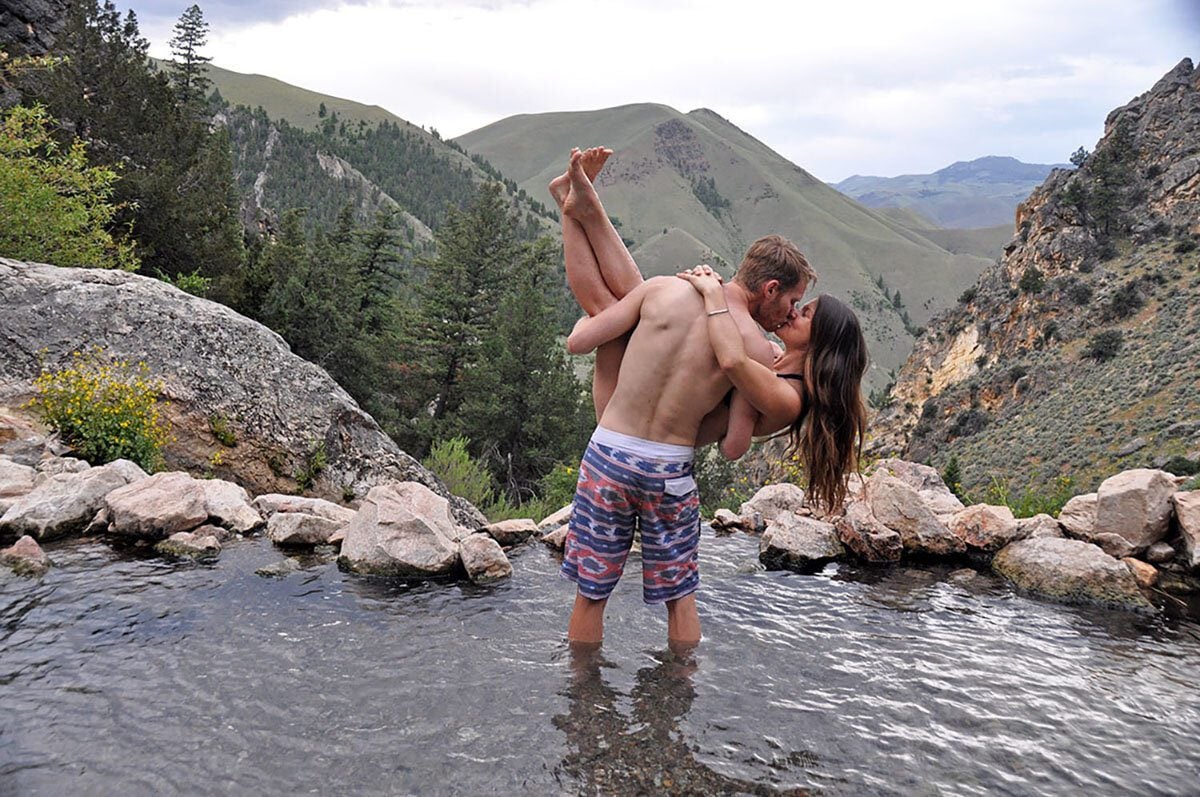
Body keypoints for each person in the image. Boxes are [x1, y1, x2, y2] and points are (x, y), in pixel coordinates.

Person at [549, 148, 813, 648]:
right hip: (667, 469)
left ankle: (582, 705)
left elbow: (578, 342)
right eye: (791, 302)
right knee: (681, 598)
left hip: (608, 452)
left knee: (590, 594)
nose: (789, 313)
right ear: (770, 288)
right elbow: (735, 443)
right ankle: (677, 706)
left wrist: (614, 334)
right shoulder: (755, 349)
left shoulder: (662, 289)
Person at [676, 265, 870, 512]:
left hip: (669, 452)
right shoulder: (772, 358)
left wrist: (714, 295)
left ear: (821, 338)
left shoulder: (789, 397)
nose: (792, 314)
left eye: (804, 314)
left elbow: (732, 446)